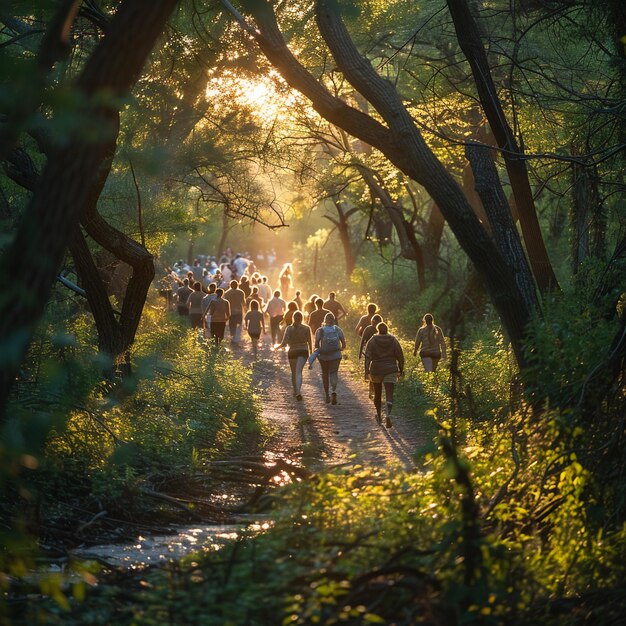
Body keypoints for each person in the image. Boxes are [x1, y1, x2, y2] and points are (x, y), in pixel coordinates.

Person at [364, 322, 404, 428]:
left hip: (376, 370)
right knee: (389, 394)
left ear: (377, 330)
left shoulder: (372, 340)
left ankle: (379, 415)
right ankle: (388, 415)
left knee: (377, 394)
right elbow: (400, 355)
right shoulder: (393, 340)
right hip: (391, 369)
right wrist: (401, 369)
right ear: (387, 329)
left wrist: (366, 371)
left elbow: (367, 356)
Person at [277, 311, 312, 401]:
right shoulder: (306, 328)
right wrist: (311, 354)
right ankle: (298, 392)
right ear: (302, 318)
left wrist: (278, 347)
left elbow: (284, 343)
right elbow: (310, 342)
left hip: (292, 351)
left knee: (294, 373)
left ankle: (296, 391)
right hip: (303, 351)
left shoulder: (289, 329)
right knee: (299, 372)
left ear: (293, 318)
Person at [314, 313, 346, 404]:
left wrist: (320, 351)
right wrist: (339, 349)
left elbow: (316, 344)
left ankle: (327, 395)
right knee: (333, 373)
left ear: (325, 320)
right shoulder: (338, 329)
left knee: (325, 374)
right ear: (334, 320)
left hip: (324, 356)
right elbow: (343, 344)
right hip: (336, 356)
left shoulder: (320, 330)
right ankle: (334, 391)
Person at [359, 313, 382, 399]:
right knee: (370, 371)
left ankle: (374, 390)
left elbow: (362, 341)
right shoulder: (369, 329)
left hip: (374, 354)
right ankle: (372, 390)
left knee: (372, 371)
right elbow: (363, 340)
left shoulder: (378, 329)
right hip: (372, 354)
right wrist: (360, 352)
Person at [224, 280, 246, 345]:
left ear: (230, 285)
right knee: (239, 325)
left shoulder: (227, 293)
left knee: (232, 325)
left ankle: (232, 337)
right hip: (239, 311)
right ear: (237, 285)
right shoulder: (241, 292)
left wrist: (225, 313)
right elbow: (243, 303)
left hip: (231, 311)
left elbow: (226, 304)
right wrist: (246, 310)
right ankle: (237, 338)